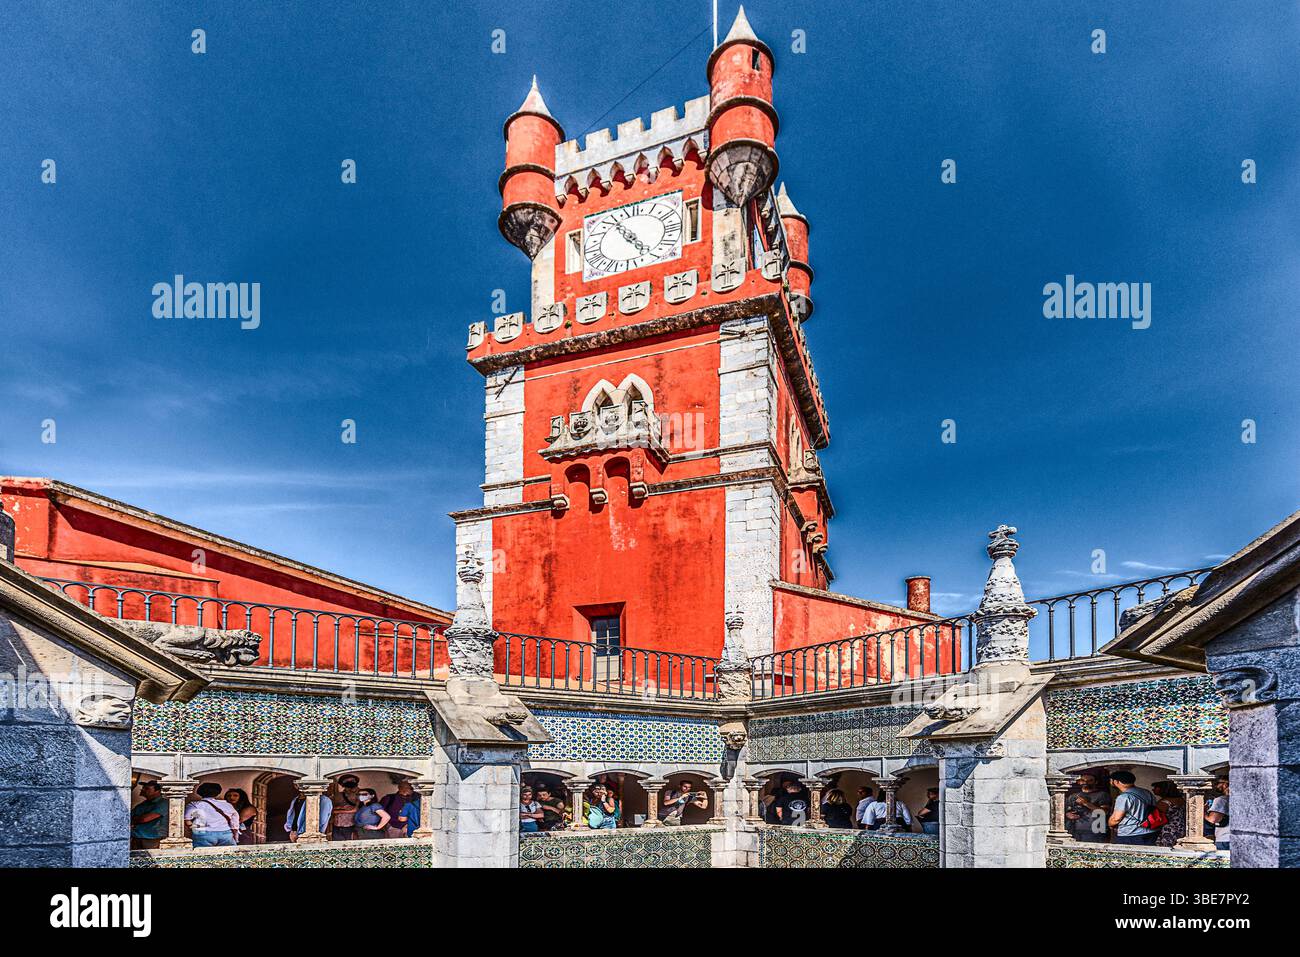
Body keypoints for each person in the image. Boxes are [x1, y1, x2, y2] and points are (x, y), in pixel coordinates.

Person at [1108, 770, 1158, 845]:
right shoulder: (1146, 792)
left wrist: (1110, 824)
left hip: (1131, 834)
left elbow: (1116, 819)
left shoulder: (1124, 797)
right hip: (1151, 831)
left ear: (1116, 782)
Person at [184, 782, 241, 848]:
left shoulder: (195, 805)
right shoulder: (227, 805)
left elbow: (187, 820)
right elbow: (234, 824)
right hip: (225, 834)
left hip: (203, 834)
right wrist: (236, 838)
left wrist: (196, 829)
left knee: (203, 856)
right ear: (218, 792)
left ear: (200, 792)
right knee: (228, 855)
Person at [1065, 773, 1111, 843]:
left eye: (1090, 780)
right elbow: (1065, 812)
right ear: (1079, 782)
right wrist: (1068, 815)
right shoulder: (1073, 796)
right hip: (1075, 831)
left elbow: (1104, 812)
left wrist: (1086, 803)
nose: (1086, 782)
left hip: (1096, 831)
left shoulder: (1102, 795)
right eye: (1083, 780)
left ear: (1096, 782)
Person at [130, 781, 168, 850]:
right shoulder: (143, 804)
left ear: (157, 791)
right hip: (136, 837)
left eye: (147, 788)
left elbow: (144, 819)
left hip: (152, 840)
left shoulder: (163, 803)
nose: (143, 790)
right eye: (143, 788)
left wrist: (135, 820)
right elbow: (128, 817)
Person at [1150, 781, 1186, 848]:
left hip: (1168, 830)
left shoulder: (1164, 803)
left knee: (1166, 849)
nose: (1153, 789)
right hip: (1181, 828)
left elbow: (1156, 818)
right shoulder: (1181, 800)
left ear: (1163, 789)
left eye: (1156, 787)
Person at [330, 775, 361, 841]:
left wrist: (339, 810)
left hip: (351, 825)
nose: (350, 783)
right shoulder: (338, 795)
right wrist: (341, 808)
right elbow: (331, 809)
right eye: (347, 781)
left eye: (352, 781)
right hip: (337, 825)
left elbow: (355, 810)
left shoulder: (361, 794)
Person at [1206, 777, 1230, 851]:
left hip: (1224, 839)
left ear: (1225, 784)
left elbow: (1212, 819)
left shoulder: (1221, 800)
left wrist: (1202, 812)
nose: (1215, 786)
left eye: (1217, 783)